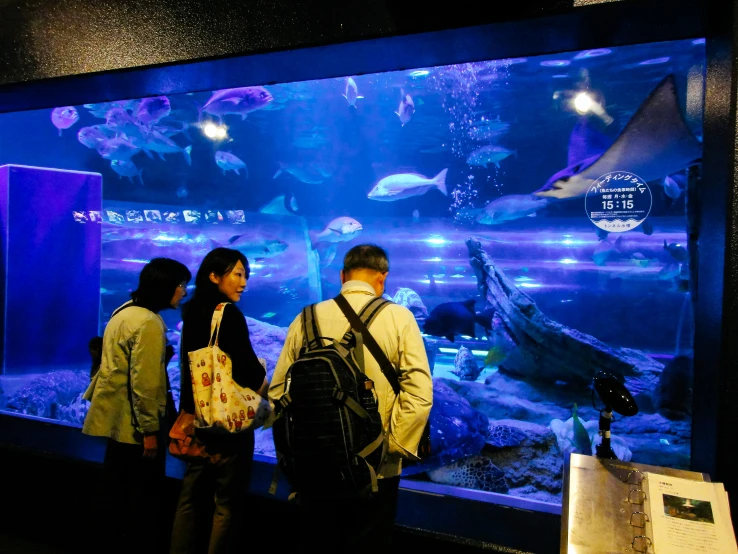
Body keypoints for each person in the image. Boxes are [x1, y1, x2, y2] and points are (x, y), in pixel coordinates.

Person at [269, 243, 433, 553]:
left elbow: (279, 392)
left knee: (319, 539)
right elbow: (419, 391)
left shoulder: (305, 318)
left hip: (314, 463)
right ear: (382, 278)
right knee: (368, 540)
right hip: (375, 466)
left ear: (343, 275)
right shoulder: (399, 318)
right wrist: (394, 447)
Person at [82, 257, 192, 554]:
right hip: (135, 428)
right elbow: (143, 384)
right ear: (165, 286)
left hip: (116, 421)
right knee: (141, 498)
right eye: (181, 284)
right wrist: (150, 431)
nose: (183, 291)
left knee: (113, 489)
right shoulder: (148, 322)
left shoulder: (123, 311)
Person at [170, 247, 268, 554]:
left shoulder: (192, 312)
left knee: (190, 499)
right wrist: (263, 377)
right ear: (214, 276)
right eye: (238, 274)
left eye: (246, 276)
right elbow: (249, 371)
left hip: (197, 420)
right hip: (229, 425)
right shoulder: (228, 314)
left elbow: (188, 371)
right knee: (226, 503)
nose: (243, 283)